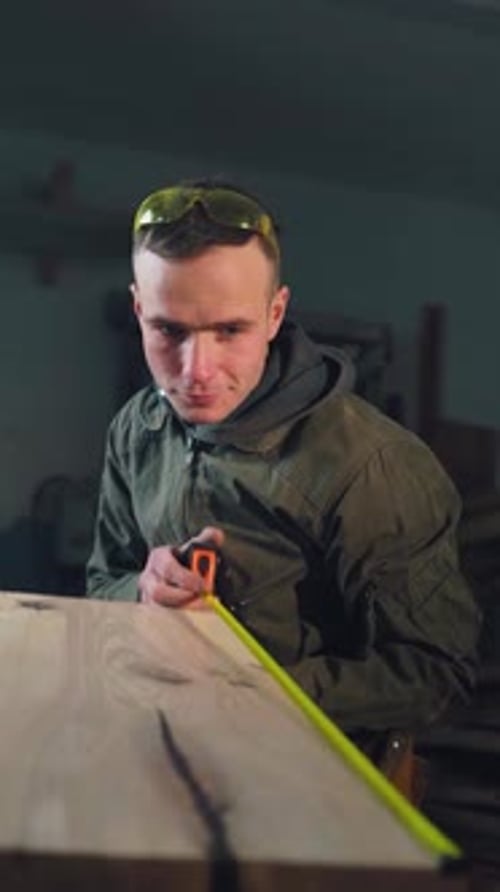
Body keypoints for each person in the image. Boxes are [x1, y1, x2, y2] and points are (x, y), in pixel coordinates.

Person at [87, 179, 480, 763]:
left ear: (274, 315)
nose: (196, 371)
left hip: (311, 775)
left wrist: (254, 687)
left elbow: (434, 673)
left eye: (230, 330)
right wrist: (140, 591)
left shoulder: (373, 467)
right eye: (169, 330)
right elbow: (100, 585)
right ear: (139, 311)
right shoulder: (136, 428)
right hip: (162, 741)